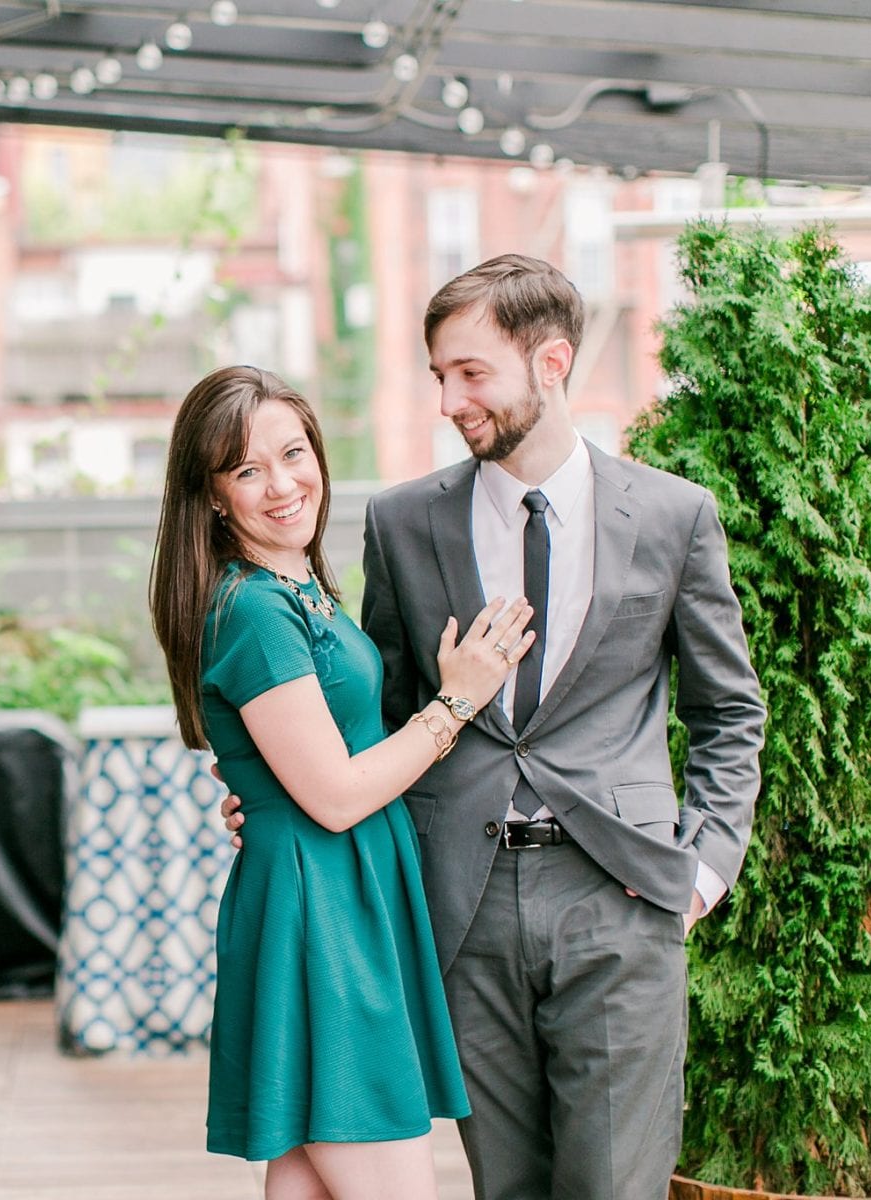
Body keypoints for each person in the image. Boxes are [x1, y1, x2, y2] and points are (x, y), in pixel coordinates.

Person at [222, 256, 766, 1200]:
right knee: (502, 1186)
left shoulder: (675, 517)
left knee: (615, 1188)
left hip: (623, 894)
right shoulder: (400, 522)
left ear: (550, 362)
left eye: (471, 373)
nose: (449, 399)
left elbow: (729, 713)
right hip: (455, 905)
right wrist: (280, 792)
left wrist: (705, 869)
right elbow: (374, 711)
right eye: (438, 375)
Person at [150, 365, 536, 1200]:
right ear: (212, 496)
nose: (284, 484)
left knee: (309, 1185)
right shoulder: (254, 607)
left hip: (340, 892)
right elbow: (334, 794)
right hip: (321, 906)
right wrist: (460, 698)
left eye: (294, 454)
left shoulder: (298, 587)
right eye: (248, 470)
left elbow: (317, 752)